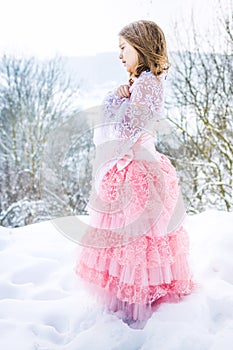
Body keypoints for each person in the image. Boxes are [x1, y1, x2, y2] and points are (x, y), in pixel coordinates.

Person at [75, 20, 193, 326]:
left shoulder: (147, 84)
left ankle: (140, 303)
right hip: (137, 162)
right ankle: (131, 298)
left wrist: (117, 103)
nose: (119, 55)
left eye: (123, 48)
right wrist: (120, 96)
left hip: (139, 168)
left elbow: (127, 130)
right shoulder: (142, 83)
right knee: (131, 238)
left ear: (140, 47)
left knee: (138, 238)